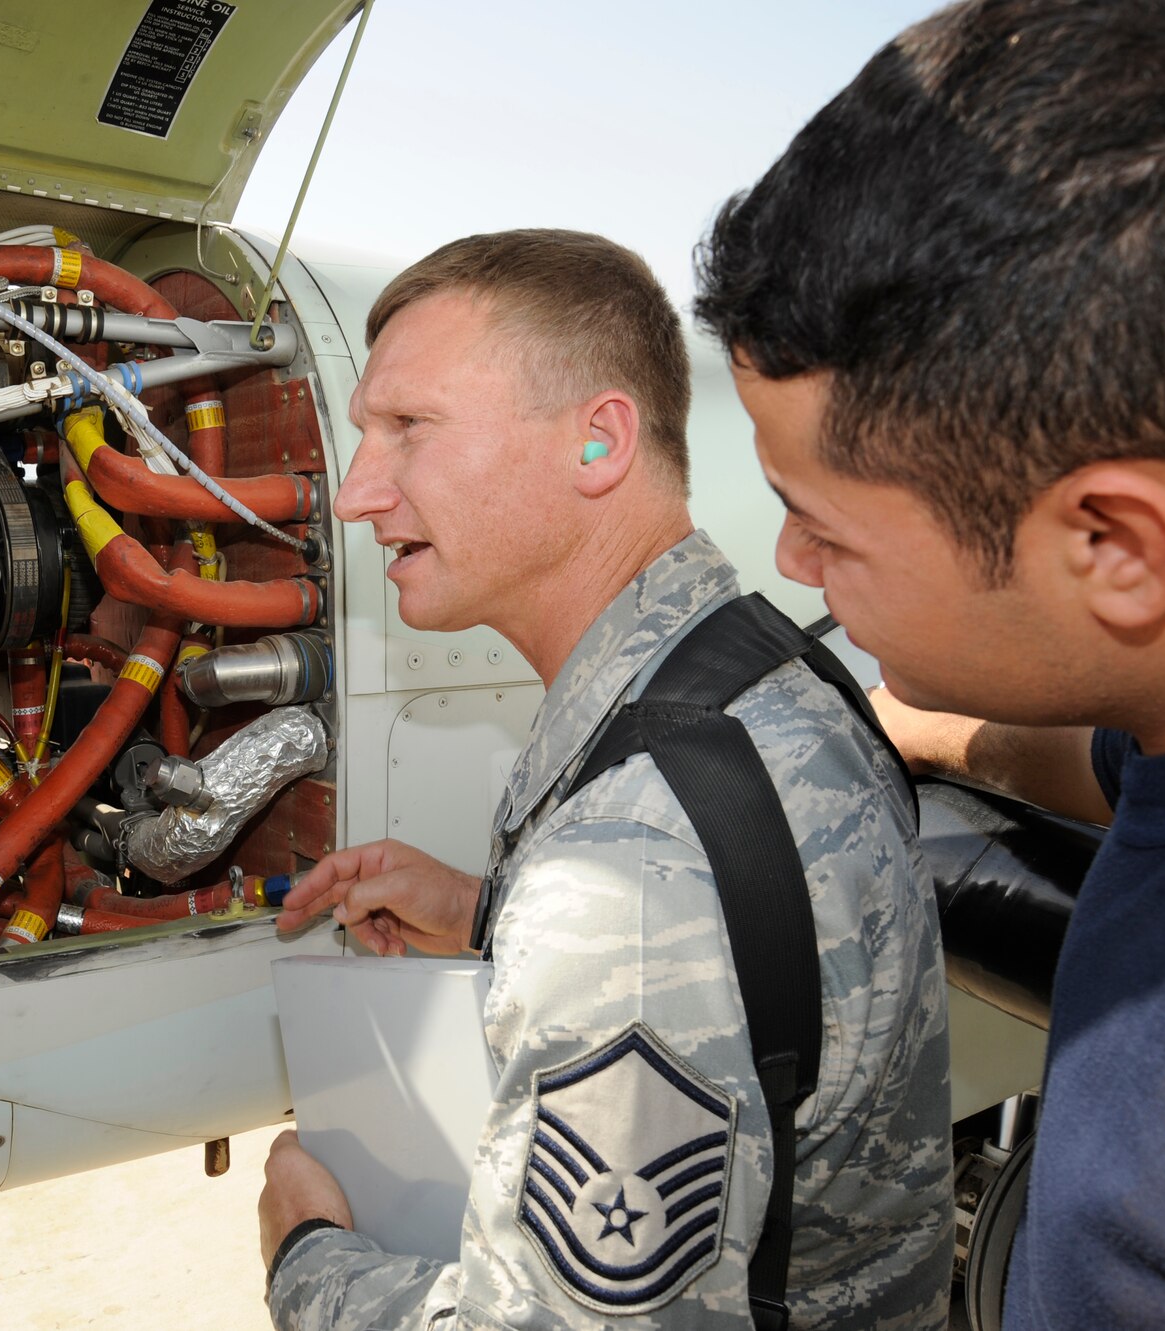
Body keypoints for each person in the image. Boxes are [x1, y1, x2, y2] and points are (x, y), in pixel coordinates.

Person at [691, 1, 1165, 1326]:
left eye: (824, 519)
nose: (790, 558)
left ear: (1115, 544)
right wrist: (934, 732)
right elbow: (1116, 763)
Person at [258, 230, 952, 1330]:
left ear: (597, 443)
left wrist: (305, 1254)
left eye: (408, 429)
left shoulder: (631, 868)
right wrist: (488, 911)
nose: (352, 492)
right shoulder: (752, 661)